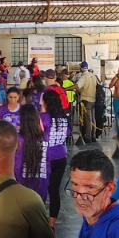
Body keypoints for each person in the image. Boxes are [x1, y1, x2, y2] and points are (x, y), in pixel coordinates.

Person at [41, 89, 71, 223]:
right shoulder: (64, 118)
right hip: (61, 157)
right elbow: (67, 134)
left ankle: (39, 221)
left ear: (46, 103)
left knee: (41, 189)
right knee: (54, 191)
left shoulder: (44, 117)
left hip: (46, 158)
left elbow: (38, 133)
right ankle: (52, 223)